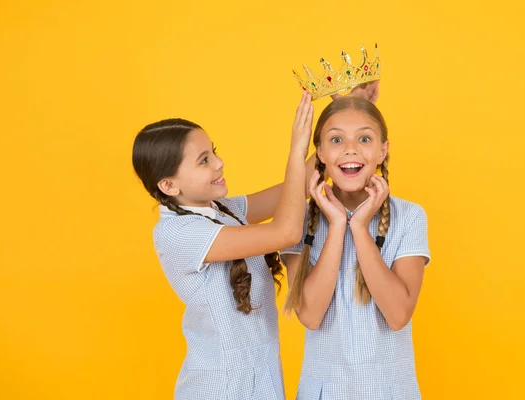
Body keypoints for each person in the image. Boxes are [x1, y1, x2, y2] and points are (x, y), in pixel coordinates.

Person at [131, 92, 313, 399]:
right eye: (204, 160)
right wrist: (296, 148)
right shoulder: (180, 232)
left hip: (261, 380)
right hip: (221, 388)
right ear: (168, 185)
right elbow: (286, 232)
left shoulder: (223, 209)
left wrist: (344, 118)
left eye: (213, 152)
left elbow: (296, 188)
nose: (219, 163)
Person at [282, 95, 430, 399]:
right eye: (337, 139)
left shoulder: (410, 216)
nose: (351, 149)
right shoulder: (295, 220)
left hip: (391, 391)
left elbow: (398, 314)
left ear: (382, 150)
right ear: (320, 153)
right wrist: (337, 225)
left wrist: (360, 228)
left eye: (364, 138)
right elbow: (310, 315)